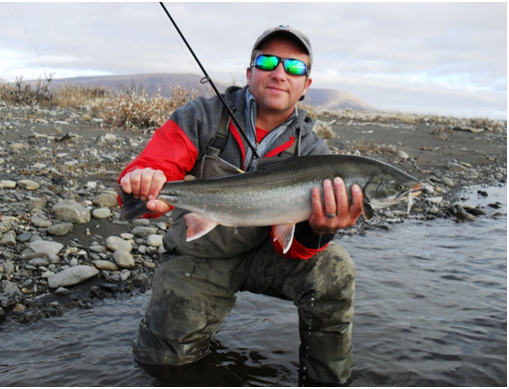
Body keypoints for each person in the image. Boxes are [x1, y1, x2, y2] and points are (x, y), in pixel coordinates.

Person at [118, 25, 363, 385]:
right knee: (163, 363)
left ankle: (326, 381)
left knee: (335, 268)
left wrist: (319, 231)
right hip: (198, 253)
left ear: (306, 85)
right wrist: (141, 183)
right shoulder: (202, 116)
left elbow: (295, 249)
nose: (279, 73)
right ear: (250, 74)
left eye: (294, 67)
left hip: (268, 255)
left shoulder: (313, 152)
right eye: (267, 62)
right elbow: (152, 167)